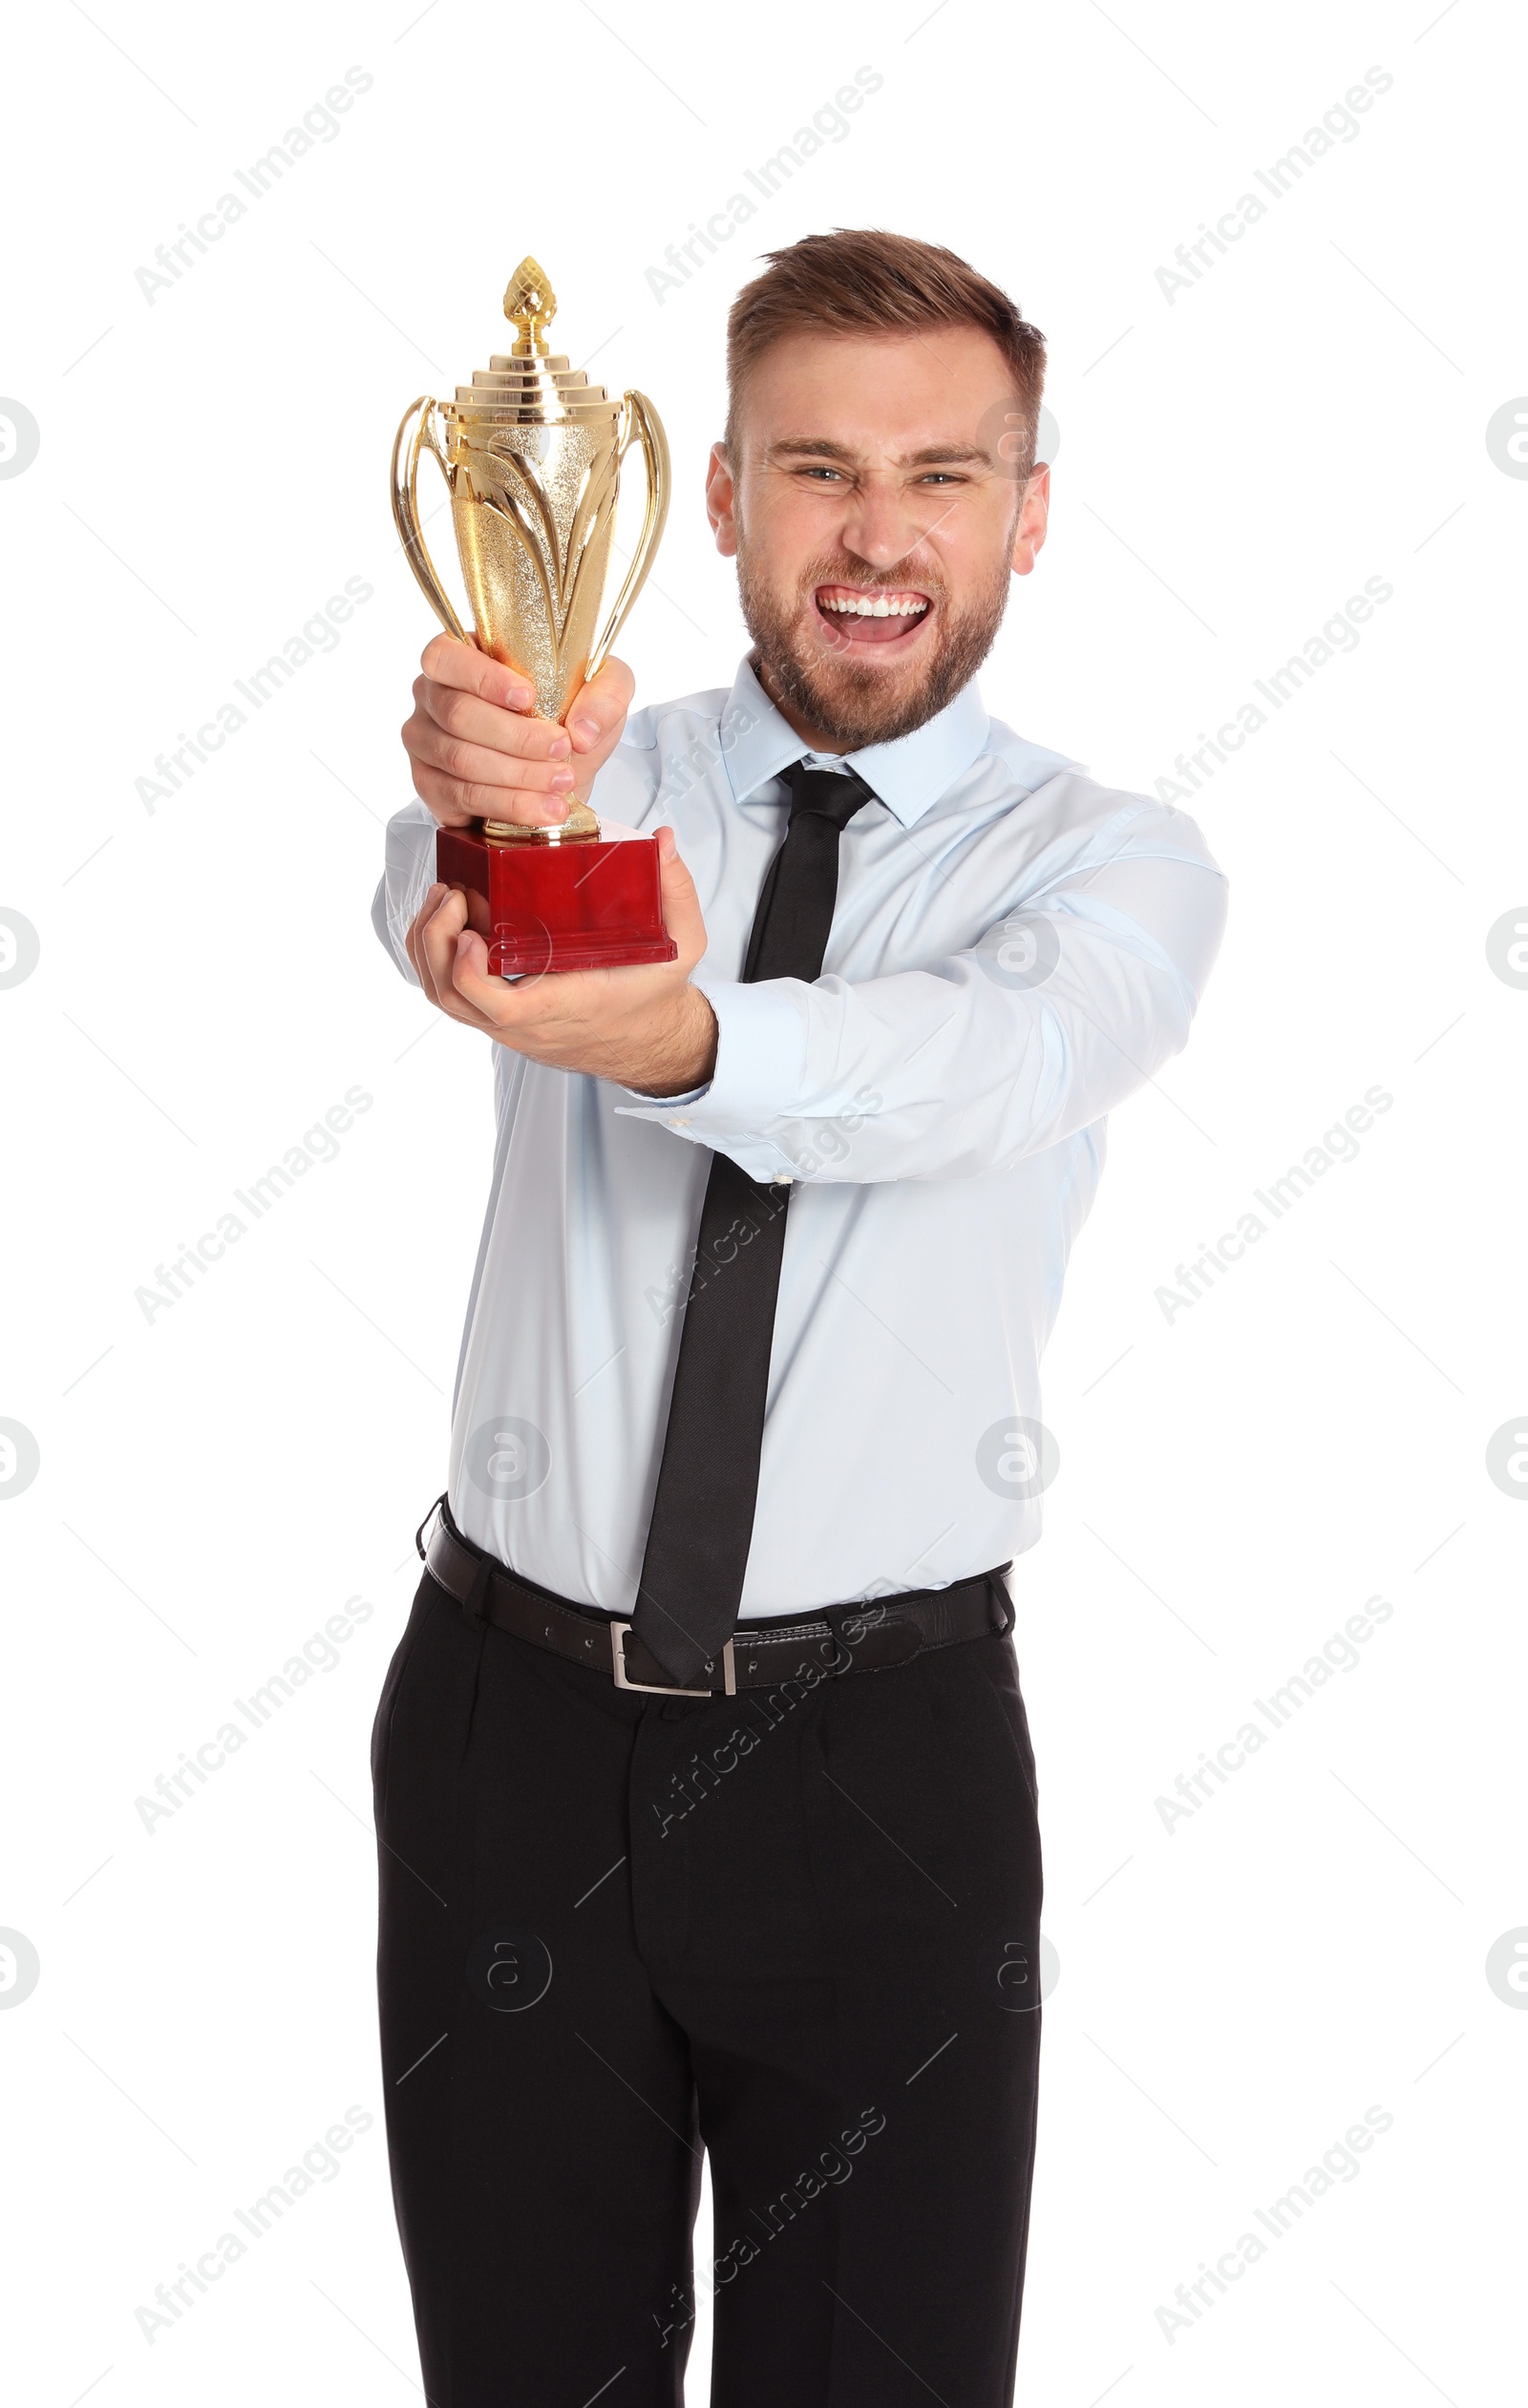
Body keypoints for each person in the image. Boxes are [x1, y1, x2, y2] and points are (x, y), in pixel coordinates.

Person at [370, 226, 1226, 2407]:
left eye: (939, 474)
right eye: (815, 468)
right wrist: (484, 793)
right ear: (722, 496)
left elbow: (957, 1075)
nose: (873, 533)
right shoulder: (608, 771)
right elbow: (428, 889)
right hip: (504, 1739)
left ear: (1025, 512)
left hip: (877, 1768)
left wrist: (672, 1035)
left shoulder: (1105, 865)